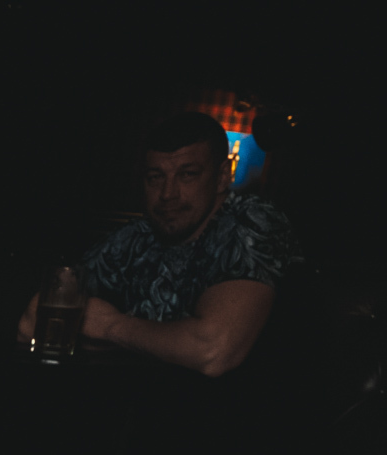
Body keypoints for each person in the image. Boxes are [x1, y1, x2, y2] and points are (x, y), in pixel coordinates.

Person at [20, 112, 302, 377]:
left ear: (221, 178)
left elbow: (213, 351)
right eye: (156, 177)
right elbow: (34, 319)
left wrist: (111, 327)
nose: (167, 194)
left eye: (187, 174)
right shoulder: (136, 236)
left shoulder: (252, 220)